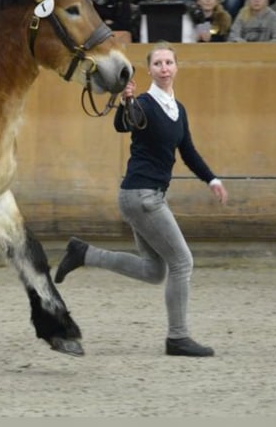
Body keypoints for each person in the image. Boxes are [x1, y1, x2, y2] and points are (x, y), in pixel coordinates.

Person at [54, 42, 229, 358]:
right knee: (182, 262)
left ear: (176, 68)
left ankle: (83, 253)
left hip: (143, 196)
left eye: (169, 62)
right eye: (158, 63)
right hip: (142, 196)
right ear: (150, 70)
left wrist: (212, 179)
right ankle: (178, 338)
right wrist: (126, 101)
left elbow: (187, 151)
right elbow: (124, 123)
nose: (164, 68)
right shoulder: (144, 104)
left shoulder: (178, 109)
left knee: (155, 270)